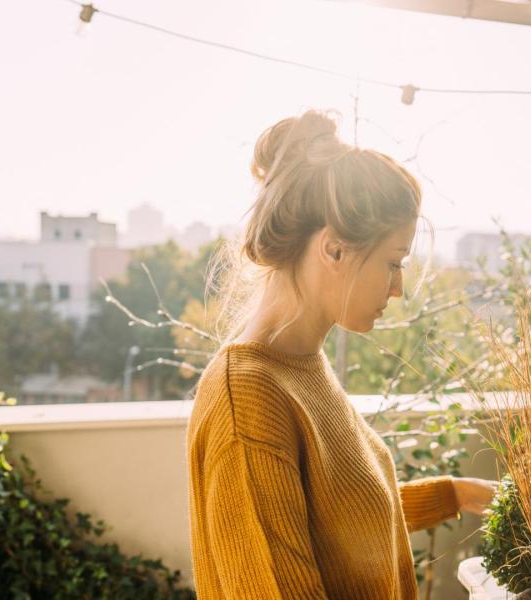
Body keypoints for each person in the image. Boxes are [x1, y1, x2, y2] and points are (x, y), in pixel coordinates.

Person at [186, 108, 498, 599]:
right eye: (393, 263)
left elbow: (338, 517)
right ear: (333, 250)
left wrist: (456, 494)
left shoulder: (301, 367)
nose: (398, 289)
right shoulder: (248, 397)